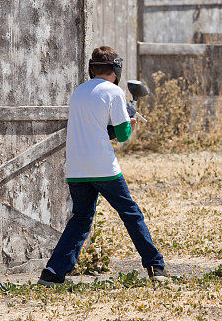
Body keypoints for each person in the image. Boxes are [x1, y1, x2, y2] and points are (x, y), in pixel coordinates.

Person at [38, 46, 168, 285]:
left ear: (92, 69)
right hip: (103, 167)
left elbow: (96, 130)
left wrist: (117, 124)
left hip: (76, 168)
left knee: (81, 219)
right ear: (116, 70)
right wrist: (129, 121)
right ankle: (156, 268)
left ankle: (53, 273)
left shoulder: (78, 91)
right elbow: (122, 134)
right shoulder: (114, 92)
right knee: (131, 214)